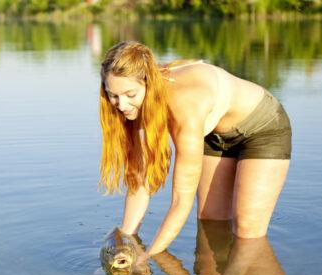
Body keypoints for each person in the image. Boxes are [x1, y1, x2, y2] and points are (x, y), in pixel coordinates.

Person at [97, 41, 292, 263]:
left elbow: (181, 200)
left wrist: (147, 258)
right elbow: (140, 180)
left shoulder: (184, 106)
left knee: (247, 232)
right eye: (113, 95)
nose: (121, 105)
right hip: (213, 134)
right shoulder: (133, 103)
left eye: (129, 94)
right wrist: (126, 239)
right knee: (210, 225)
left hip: (263, 128)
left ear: (148, 83)